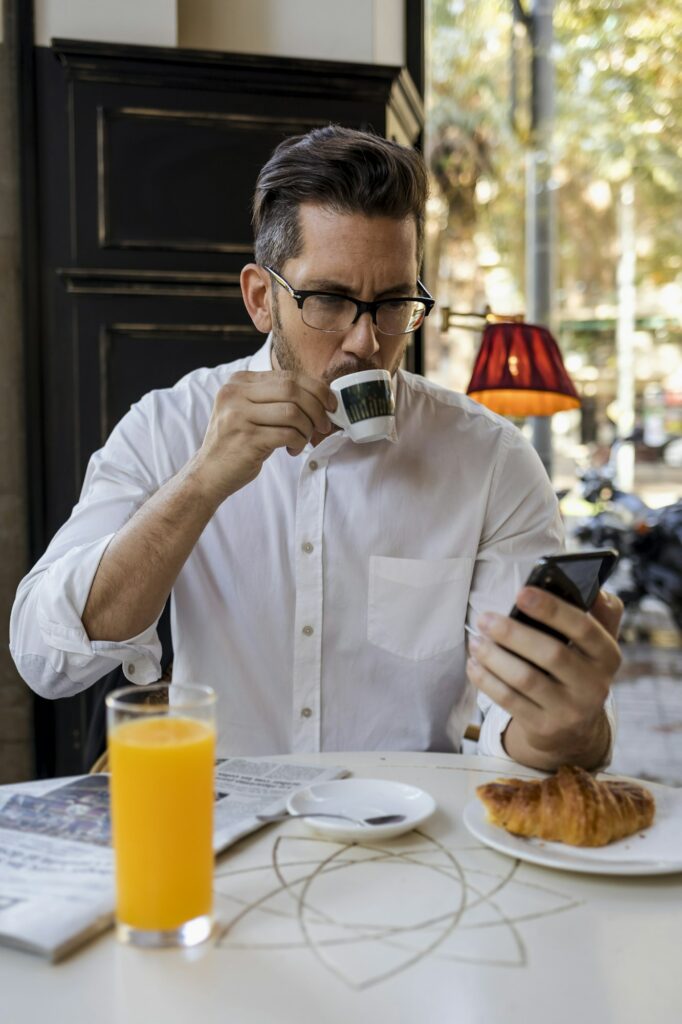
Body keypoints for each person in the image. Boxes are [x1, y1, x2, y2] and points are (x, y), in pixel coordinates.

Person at [10, 126, 622, 769]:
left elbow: (526, 732)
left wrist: (566, 726)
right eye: (328, 299)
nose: (365, 342)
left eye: (392, 303)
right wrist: (200, 483)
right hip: (219, 828)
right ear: (260, 298)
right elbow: (46, 660)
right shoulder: (170, 426)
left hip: (412, 837)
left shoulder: (489, 461)